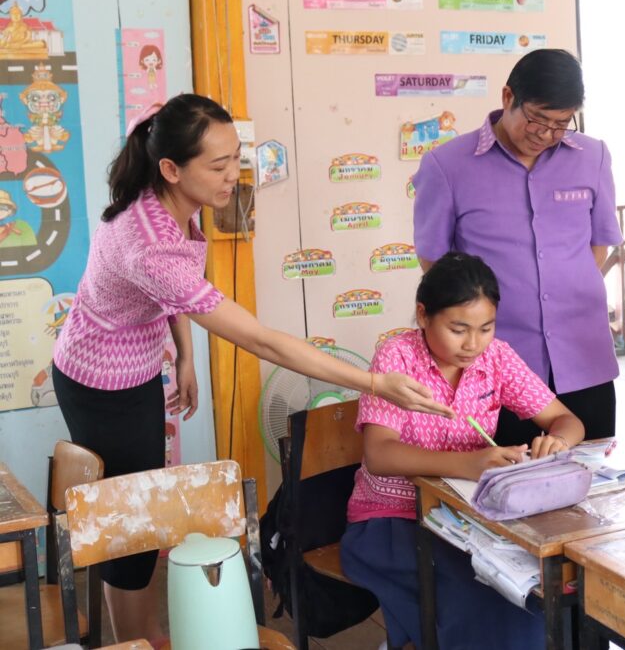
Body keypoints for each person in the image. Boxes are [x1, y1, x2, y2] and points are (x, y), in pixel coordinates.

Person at [50, 94, 454, 645]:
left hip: (138, 363)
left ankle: (136, 628)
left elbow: (174, 294)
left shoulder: (171, 199)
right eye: (218, 166)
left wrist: (184, 354)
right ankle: (136, 639)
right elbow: (262, 340)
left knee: (135, 507)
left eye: (235, 159)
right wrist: (374, 383)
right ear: (171, 168)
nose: (233, 176)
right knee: (130, 524)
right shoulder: (148, 246)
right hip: (98, 380)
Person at [341, 252, 585, 649]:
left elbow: (567, 419)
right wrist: (468, 464)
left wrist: (558, 440)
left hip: (468, 517)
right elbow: (379, 455)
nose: (473, 344)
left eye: (486, 328)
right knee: (482, 599)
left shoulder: (496, 357)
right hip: (394, 518)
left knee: (529, 592)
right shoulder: (397, 357)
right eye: (458, 329)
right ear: (423, 315)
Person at [413, 49, 622, 445]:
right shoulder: (447, 166)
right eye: (537, 119)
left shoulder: (593, 157)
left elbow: (598, 247)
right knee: (505, 474)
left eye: (561, 123)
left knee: (593, 473)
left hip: (584, 357)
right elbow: (436, 264)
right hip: (495, 368)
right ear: (508, 96)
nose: (546, 134)